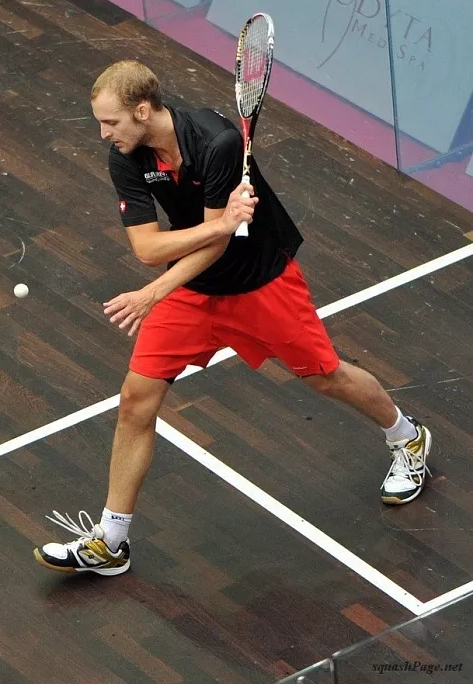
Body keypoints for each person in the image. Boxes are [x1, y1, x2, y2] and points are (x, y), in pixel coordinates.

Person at [33, 60, 432, 576]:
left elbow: (216, 246)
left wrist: (165, 279)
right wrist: (212, 231)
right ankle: (112, 540)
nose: (104, 133)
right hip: (190, 289)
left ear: (142, 109)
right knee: (136, 398)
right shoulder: (127, 156)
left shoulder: (218, 141)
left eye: (110, 121)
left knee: (326, 377)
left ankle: (407, 436)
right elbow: (149, 247)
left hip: (260, 283)